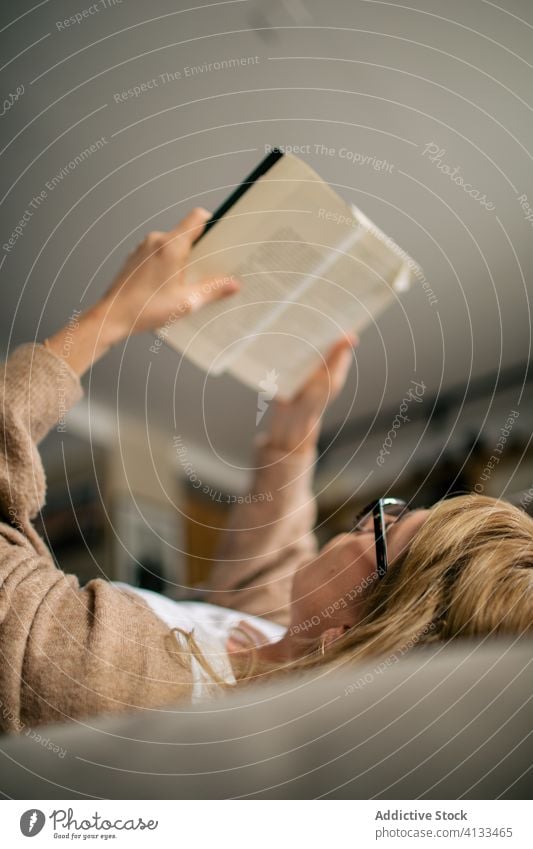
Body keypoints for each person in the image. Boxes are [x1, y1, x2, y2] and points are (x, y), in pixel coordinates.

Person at [0, 209, 531, 732]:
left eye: (389, 536)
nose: (370, 519)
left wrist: (112, 316)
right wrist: (293, 433)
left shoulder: (120, 681)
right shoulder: (284, 651)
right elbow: (268, 575)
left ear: (354, 634)